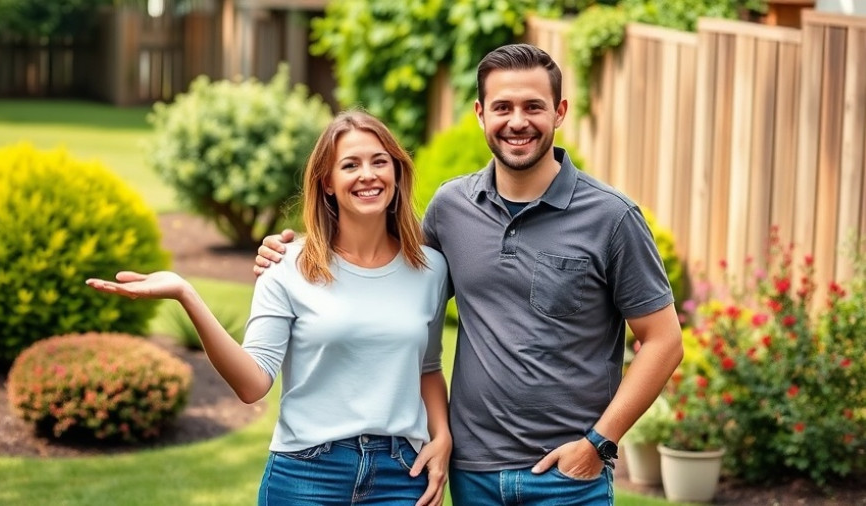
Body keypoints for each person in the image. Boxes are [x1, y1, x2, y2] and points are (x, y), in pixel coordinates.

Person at [254, 44, 684, 505]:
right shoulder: (451, 208)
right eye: (502, 107)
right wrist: (297, 250)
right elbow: (380, 265)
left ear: (559, 112)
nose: (517, 121)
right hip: (473, 472)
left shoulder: (611, 217)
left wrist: (598, 443)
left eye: (533, 107)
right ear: (481, 114)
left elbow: (664, 341)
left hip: (566, 478)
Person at [87, 110, 452, 506]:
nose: (368, 175)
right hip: (306, 475)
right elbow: (252, 384)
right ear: (327, 182)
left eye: (379, 161)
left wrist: (443, 436)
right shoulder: (286, 265)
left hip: (401, 477)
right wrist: (185, 294)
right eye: (350, 165)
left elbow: (427, 368)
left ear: (396, 172)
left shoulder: (429, 270)